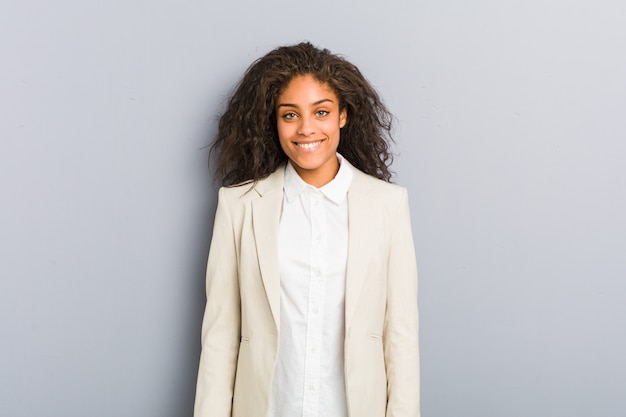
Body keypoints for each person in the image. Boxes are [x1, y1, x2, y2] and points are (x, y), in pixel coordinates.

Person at [194, 42, 420, 417]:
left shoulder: (388, 205)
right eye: (290, 115)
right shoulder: (239, 207)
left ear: (343, 116)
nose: (306, 129)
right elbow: (219, 336)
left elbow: (401, 338)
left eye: (321, 112)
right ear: (274, 121)